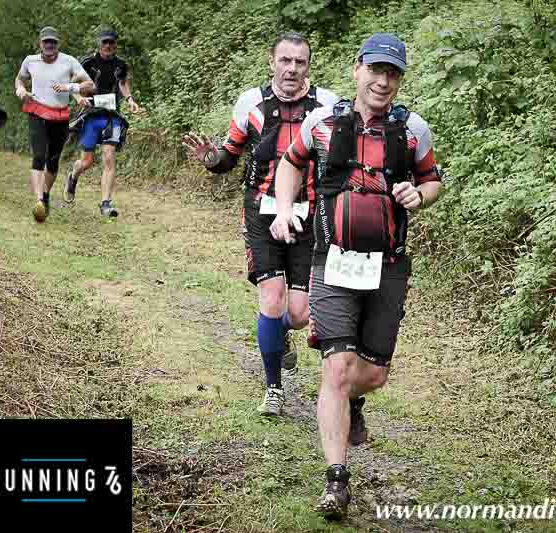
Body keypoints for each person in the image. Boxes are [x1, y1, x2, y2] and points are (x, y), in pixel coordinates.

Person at [270, 32, 443, 520]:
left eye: (392, 73)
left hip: (388, 266)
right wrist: (284, 209)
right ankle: (336, 480)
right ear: (357, 69)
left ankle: (355, 402)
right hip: (332, 261)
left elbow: (433, 181)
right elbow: (290, 163)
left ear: (400, 79)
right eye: (375, 70)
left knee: (373, 375)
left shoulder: (413, 132)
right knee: (336, 369)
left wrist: (420, 195)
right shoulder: (322, 123)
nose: (382, 81)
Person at [182, 32, 339, 417]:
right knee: (271, 299)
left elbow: (340, 161)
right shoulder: (251, 102)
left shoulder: (327, 104)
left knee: (300, 314)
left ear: (308, 66)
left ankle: (280, 330)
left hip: (309, 214)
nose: (292, 69)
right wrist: (211, 158)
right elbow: (230, 155)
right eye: (285, 61)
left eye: (300, 62)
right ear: (272, 62)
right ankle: (273, 389)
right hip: (262, 211)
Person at [15, 26, 94, 222]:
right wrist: (21, 91)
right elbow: (19, 79)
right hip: (37, 111)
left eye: (53, 42)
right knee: (39, 155)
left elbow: (90, 84)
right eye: (46, 42)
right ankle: (39, 201)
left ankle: (46, 194)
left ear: (58, 44)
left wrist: (70, 87)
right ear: (40, 44)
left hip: (60, 116)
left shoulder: (69, 61)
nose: (49, 45)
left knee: (53, 160)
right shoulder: (30, 61)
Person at [64, 28, 142, 217]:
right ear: (99, 43)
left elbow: (123, 83)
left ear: (115, 44)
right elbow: (71, 83)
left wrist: (130, 100)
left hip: (112, 115)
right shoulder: (88, 62)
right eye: (104, 42)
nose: (108, 46)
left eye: (111, 43)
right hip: (91, 115)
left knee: (109, 156)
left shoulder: (121, 64)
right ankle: (73, 175)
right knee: (87, 162)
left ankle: (106, 203)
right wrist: (77, 98)